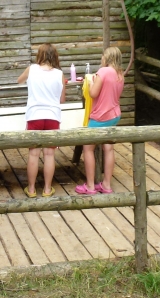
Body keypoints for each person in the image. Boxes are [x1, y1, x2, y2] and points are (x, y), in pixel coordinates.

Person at [17, 44, 66, 198]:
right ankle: (47, 189)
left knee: (34, 154)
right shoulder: (59, 74)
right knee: (49, 154)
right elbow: (62, 100)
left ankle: (31, 189)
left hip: (34, 115)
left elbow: (19, 80)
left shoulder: (31, 69)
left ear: (40, 55)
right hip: (52, 116)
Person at [76, 47, 126, 195]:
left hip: (100, 117)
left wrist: (91, 83)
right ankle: (106, 185)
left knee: (88, 148)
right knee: (108, 148)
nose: (101, 58)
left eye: (103, 56)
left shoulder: (103, 72)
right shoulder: (120, 74)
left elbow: (93, 93)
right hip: (114, 115)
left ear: (107, 58)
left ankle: (90, 186)